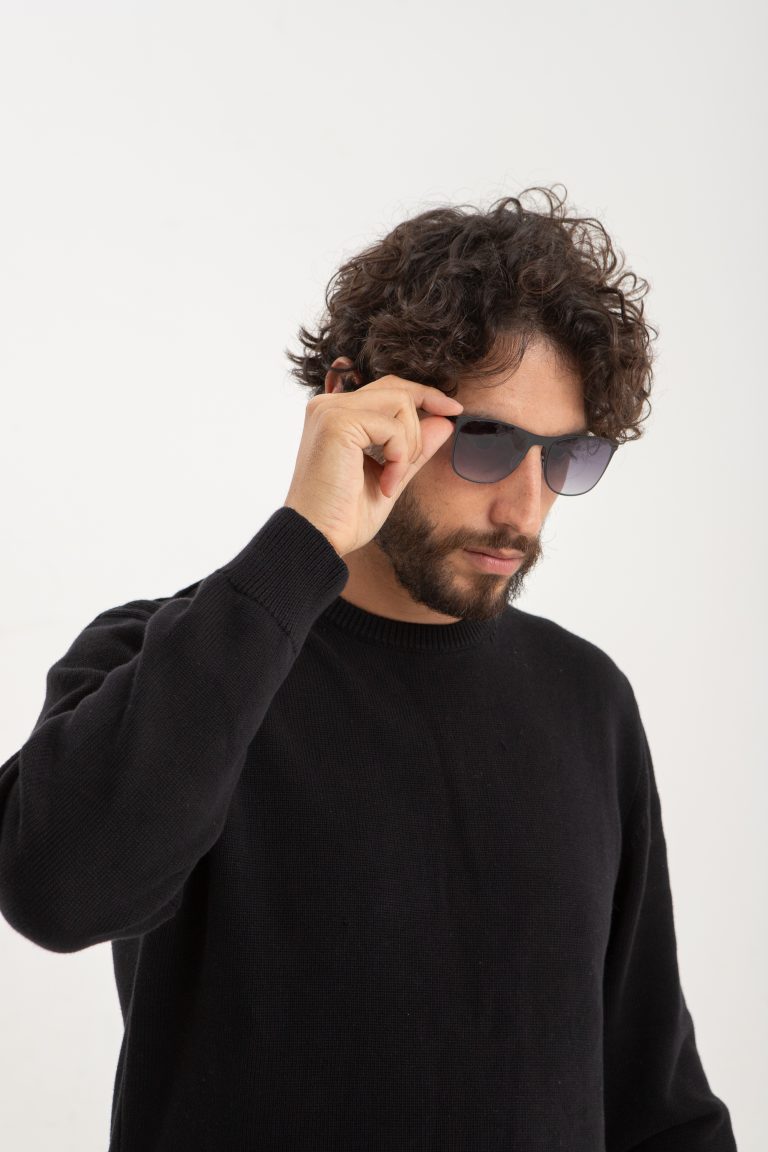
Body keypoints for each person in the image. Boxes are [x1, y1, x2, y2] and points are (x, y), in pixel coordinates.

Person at [0, 186, 738, 1149]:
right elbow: (57, 894)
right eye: (487, 440)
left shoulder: (586, 699)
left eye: (567, 457)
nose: (524, 509)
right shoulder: (175, 662)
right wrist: (303, 537)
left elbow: (655, 1095)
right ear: (355, 403)